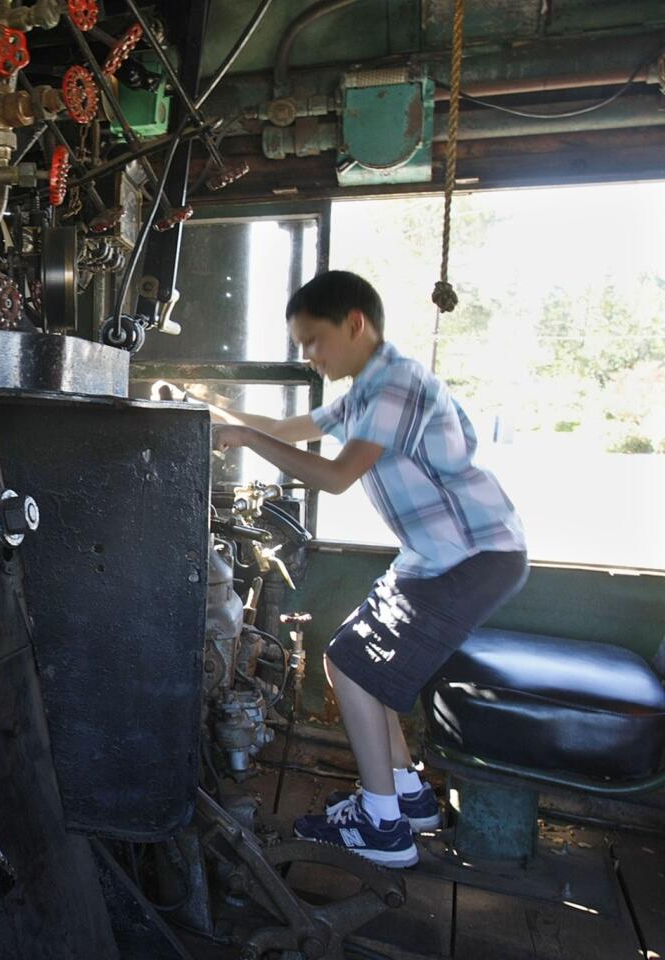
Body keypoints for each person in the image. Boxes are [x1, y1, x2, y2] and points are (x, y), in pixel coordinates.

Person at [210, 270, 528, 868]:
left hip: (472, 556)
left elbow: (333, 477)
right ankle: (407, 797)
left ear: (355, 324)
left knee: (358, 669)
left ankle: (382, 827)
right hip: (435, 558)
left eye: (314, 340)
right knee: (346, 658)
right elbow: (285, 430)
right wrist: (211, 407)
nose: (308, 355)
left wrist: (244, 438)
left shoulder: (395, 386)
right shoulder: (364, 391)